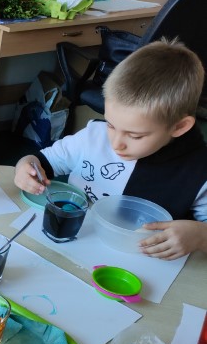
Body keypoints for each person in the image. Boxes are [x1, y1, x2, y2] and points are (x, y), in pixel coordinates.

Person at [14, 39, 207, 260]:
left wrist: (200, 236)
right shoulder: (93, 137)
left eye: (135, 135)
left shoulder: (198, 172)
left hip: (136, 264)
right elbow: (41, 161)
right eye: (111, 125)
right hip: (70, 247)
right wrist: (25, 166)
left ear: (179, 127)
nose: (116, 143)